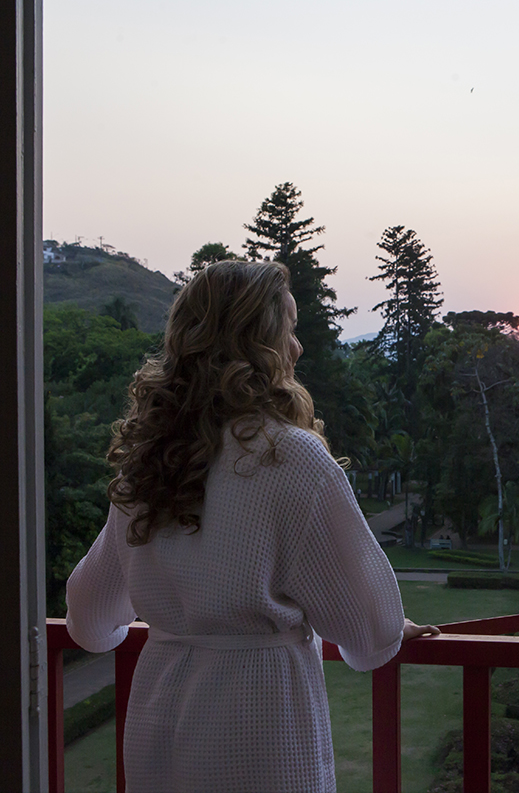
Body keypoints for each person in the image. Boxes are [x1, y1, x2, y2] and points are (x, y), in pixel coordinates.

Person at [66, 261, 438, 793]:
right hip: (262, 735)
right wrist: (385, 628)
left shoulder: (151, 459)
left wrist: (171, 625)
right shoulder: (291, 456)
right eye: (288, 330)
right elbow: (371, 633)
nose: (298, 348)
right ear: (258, 342)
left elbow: (89, 615)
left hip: (158, 727)